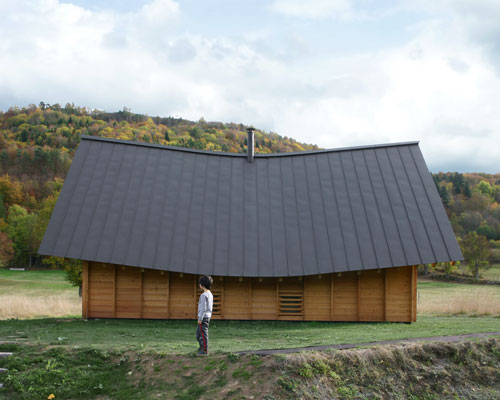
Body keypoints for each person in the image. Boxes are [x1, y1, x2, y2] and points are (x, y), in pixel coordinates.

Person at [196, 275, 213, 355]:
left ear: (202, 285)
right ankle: (201, 347)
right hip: (207, 316)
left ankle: (204, 350)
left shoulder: (203, 295)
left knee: (203, 334)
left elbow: (203, 308)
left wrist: (200, 318)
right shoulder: (210, 294)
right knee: (198, 333)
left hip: (203, 317)